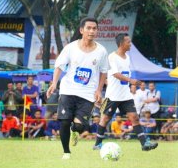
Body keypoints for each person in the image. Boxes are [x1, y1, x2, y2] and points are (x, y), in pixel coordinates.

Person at [46, 17, 108, 160]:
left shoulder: (101, 51)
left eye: (94, 28)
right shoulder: (70, 48)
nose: (92, 31)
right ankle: (66, 152)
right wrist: (54, 83)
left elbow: (104, 71)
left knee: (79, 127)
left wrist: (99, 90)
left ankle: (75, 132)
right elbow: (59, 65)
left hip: (88, 94)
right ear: (81, 30)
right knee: (65, 121)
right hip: (68, 90)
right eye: (89, 28)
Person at [94, 33, 157, 151]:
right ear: (121, 44)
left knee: (134, 117)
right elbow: (115, 74)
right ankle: (97, 143)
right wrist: (131, 80)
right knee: (105, 119)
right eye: (128, 42)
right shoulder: (112, 57)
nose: (130, 44)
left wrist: (129, 82)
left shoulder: (127, 57)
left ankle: (144, 144)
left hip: (126, 96)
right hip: (113, 96)